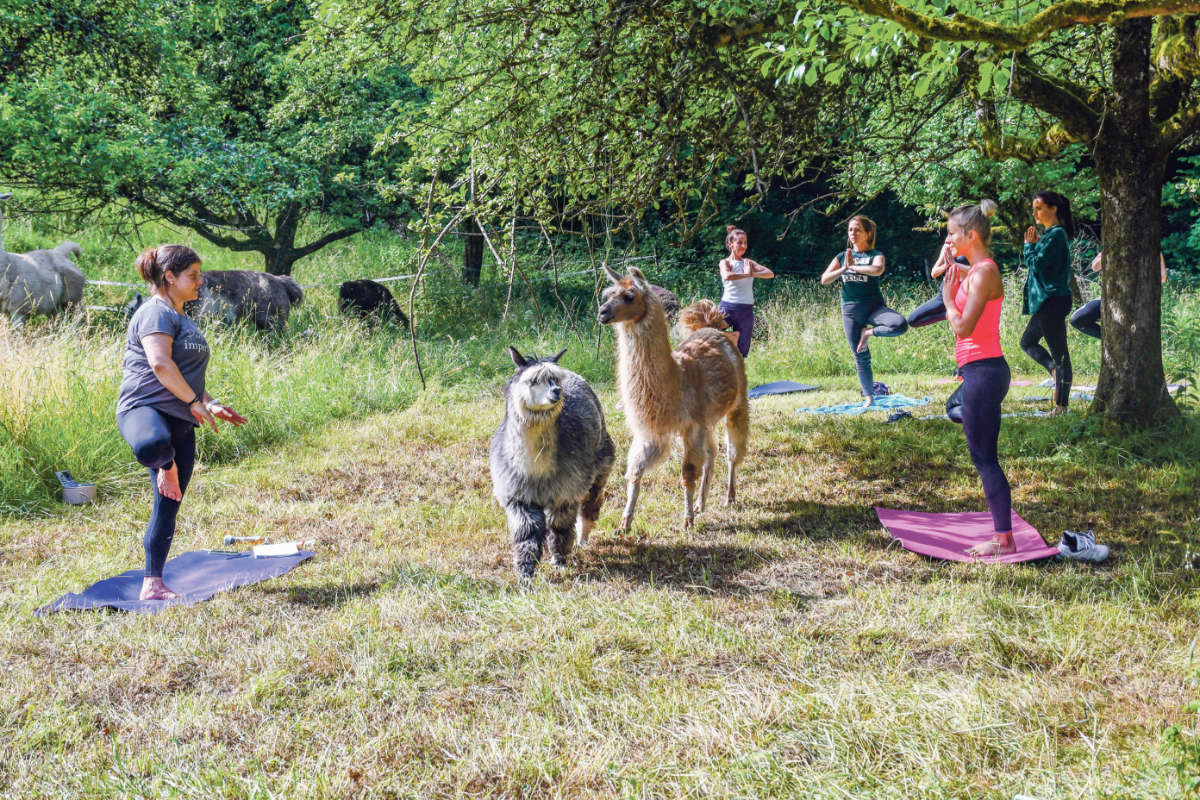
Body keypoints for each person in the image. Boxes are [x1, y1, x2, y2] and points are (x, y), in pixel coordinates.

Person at [116, 245, 247, 600]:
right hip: (144, 409)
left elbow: (184, 374)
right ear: (169, 277)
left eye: (199, 275)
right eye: (193, 276)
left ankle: (153, 582)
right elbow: (160, 365)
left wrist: (209, 402)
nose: (200, 283)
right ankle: (166, 462)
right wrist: (192, 401)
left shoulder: (184, 319)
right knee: (152, 445)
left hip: (180, 420)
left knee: (168, 505)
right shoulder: (154, 312)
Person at [941, 204, 1013, 557]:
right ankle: (1003, 535)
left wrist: (947, 303)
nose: (948, 238)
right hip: (977, 373)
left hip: (985, 372)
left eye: (952, 233)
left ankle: (1003, 539)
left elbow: (963, 326)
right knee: (956, 412)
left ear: (971, 235)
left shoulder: (984, 272)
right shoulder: (972, 271)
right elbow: (948, 277)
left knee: (984, 458)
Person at [820, 215, 908, 405]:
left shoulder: (875, 254)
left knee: (900, 324)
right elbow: (824, 279)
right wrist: (844, 268)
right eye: (850, 229)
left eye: (857, 229)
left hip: (874, 308)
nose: (852, 233)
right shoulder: (842, 257)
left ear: (868, 233)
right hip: (850, 311)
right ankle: (869, 397)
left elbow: (877, 270)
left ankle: (867, 332)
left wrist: (855, 267)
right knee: (861, 356)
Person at [1020, 191, 1075, 413]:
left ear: (1053, 209)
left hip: (1053, 301)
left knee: (1060, 354)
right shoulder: (1050, 235)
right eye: (1033, 209)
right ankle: (1053, 370)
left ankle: (1061, 406)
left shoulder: (1056, 235)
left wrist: (1028, 245)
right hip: (1046, 302)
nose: (1035, 213)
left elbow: (1036, 265)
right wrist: (1036, 244)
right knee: (1027, 342)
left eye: (1039, 208)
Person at [907, 201, 997, 329]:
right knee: (913, 320)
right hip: (943, 296)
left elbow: (977, 271)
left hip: (961, 297)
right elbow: (934, 273)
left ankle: (954, 313)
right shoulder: (947, 246)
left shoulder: (973, 251)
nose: (949, 238)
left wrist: (955, 264)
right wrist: (947, 265)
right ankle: (948, 314)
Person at [1070, 250, 1168, 339]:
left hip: (1138, 300)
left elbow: (1162, 278)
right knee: (1077, 319)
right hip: (1111, 297)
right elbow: (1095, 267)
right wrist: (1109, 253)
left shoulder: (1151, 247)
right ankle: (1112, 339)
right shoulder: (1114, 244)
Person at [718, 225, 774, 357]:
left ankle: (738, 375)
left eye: (745, 243)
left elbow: (770, 273)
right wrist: (747, 274)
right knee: (711, 332)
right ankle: (733, 337)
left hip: (746, 310)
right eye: (739, 243)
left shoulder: (749, 263)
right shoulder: (725, 262)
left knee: (742, 351)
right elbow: (727, 276)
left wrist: (752, 272)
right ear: (730, 244)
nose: (743, 246)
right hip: (728, 308)